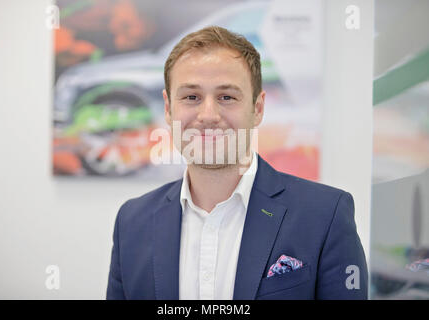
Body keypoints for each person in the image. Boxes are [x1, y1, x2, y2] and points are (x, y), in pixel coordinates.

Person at [106, 26, 368, 300]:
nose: (208, 115)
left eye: (227, 97)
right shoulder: (131, 222)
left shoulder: (325, 216)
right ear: (169, 109)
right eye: (191, 97)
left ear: (257, 109)